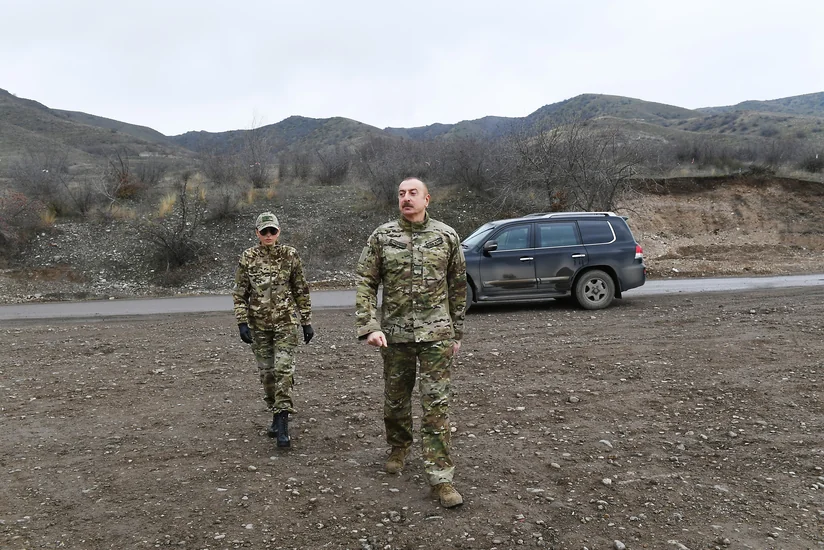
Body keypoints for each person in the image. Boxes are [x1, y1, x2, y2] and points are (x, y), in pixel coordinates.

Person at [355, 177, 467, 508]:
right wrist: (369, 325)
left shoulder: (446, 236)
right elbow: (365, 281)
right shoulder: (382, 236)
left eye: (412, 193)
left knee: (436, 407)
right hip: (395, 335)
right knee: (395, 400)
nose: (406, 198)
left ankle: (441, 479)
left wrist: (456, 332)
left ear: (427, 199)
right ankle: (399, 446)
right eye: (401, 194)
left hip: (436, 336)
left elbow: (458, 285)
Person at [233, 211, 314, 449]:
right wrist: (241, 322)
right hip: (258, 327)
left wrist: (306, 321)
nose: (269, 235)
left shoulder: (290, 255)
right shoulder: (248, 257)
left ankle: (283, 423)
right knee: (268, 375)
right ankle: (274, 413)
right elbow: (239, 294)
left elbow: (301, 289)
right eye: (264, 231)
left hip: (286, 324)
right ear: (257, 233)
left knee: (283, 371)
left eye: (273, 231)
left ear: (279, 232)